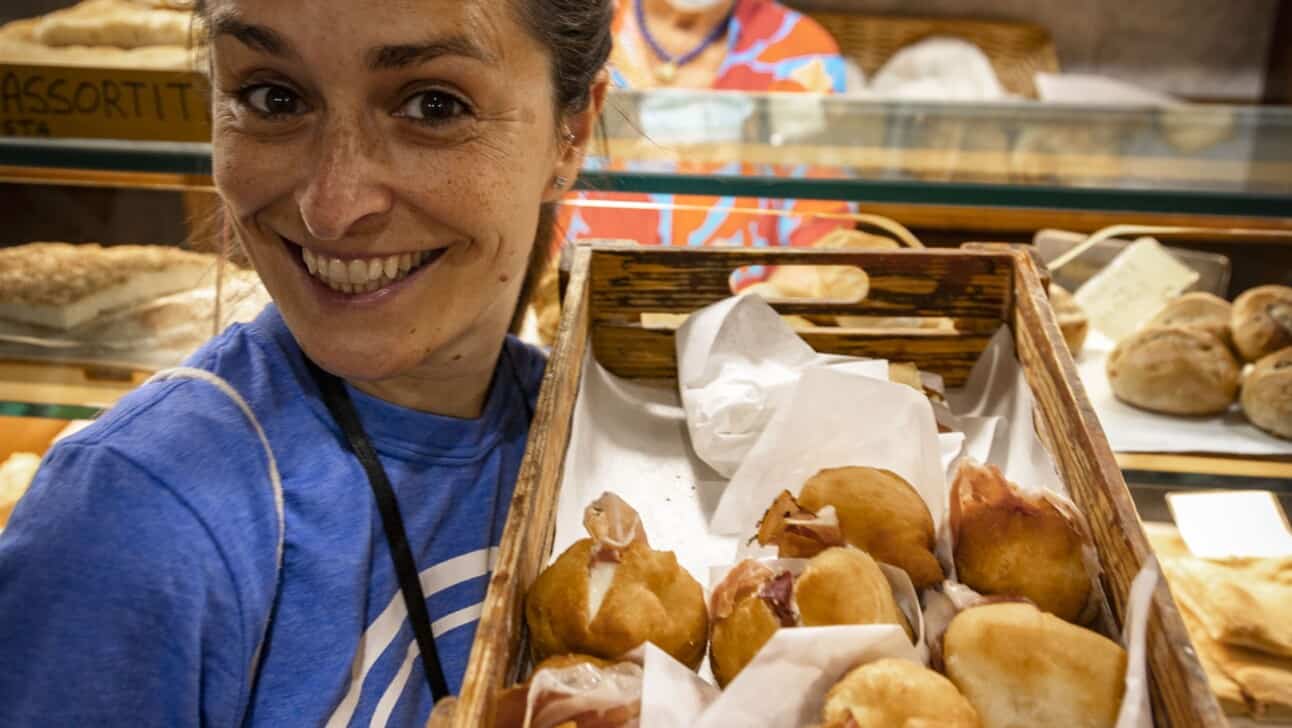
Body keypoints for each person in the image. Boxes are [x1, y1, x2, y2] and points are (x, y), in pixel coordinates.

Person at [0, 1, 612, 725]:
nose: (332, 206)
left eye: (433, 105)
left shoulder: (593, 436)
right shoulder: (132, 525)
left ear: (569, 132)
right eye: (273, 98)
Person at [560, 0, 851, 290]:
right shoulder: (572, 24)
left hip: (741, 315)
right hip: (562, 303)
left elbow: (820, 232)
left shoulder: (801, 52)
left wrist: (759, 312)